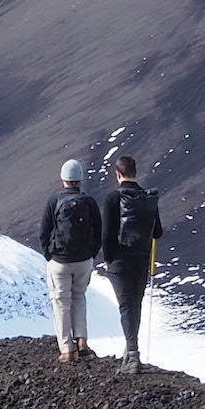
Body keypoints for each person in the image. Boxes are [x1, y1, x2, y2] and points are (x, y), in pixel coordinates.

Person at [99, 153, 162, 374]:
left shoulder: (112, 198)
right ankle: (130, 351)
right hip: (142, 259)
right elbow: (158, 231)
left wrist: (107, 259)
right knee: (135, 304)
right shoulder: (147, 197)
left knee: (126, 305)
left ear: (118, 174)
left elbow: (107, 234)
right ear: (136, 172)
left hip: (119, 260)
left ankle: (132, 355)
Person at [38, 158, 103, 363]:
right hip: (83, 260)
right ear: (80, 180)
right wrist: (91, 253)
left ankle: (67, 350)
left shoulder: (54, 200)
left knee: (61, 302)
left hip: (60, 260)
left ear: (63, 180)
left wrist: (49, 255)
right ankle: (82, 341)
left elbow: (44, 230)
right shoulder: (89, 202)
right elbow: (98, 230)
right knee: (79, 297)